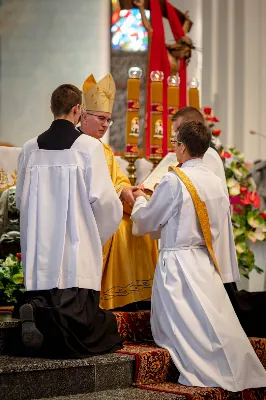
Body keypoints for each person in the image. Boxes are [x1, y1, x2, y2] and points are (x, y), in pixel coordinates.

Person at [131, 121, 266, 391]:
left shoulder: (174, 179)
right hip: (205, 262)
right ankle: (238, 370)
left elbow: (147, 221)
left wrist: (138, 200)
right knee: (213, 322)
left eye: (175, 143)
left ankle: (209, 370)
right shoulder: (215, 181)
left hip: (179, 265)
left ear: (181, 147)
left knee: (187, 329)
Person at [14, 84, 123, 358]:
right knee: (99, 328)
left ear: (52, 109)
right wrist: (94, 237)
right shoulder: (88, 147)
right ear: (77, 110)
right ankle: (44, 316)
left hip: (40, 253)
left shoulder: (29, 148)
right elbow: (107, 202)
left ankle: (36, 308)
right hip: (75, 253)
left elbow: (20, 200)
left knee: (47, 290)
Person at [172, 106, 266, 338]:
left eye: (177, 132)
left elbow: (202, 198)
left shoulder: (207, 158)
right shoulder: (203, 156)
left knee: (229, 304)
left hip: (208, 240)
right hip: (204, 238)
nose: (174, 139)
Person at [78, 73, 158, 311]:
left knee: (142, 228)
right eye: (101, 118)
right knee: (123, 229)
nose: (105, 125)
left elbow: (117, 178)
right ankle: (111, 296)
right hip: (91, 214)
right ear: (83, 115)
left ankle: (140, 297)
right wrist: (118, 193)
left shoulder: (104, 148)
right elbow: (91, 187)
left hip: (111, 206)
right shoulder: (77, 147)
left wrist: (128, 189)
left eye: (108, 120)